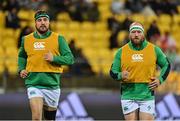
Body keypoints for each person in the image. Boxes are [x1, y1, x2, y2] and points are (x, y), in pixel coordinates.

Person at [18, 10, 74, 120]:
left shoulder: (59, 39)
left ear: (49, 22)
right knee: (36, 118)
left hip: (52, 85)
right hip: (34, 83)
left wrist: (54, 58)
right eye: (39, 20)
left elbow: (70, 59)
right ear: (35, 23)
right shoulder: (26, 39)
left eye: (45, 20)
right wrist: (21, 69)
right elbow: (22, 56)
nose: (42, 22)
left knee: (49, 119)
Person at [110, 22, 170, 120]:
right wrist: (120, 75)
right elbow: (112, 72)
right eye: (133, 32)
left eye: (139, 32)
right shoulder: (121, 52)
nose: (136, 35)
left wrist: (160, 80)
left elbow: (166, 65)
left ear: (143, 34)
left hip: (146, 94)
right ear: (129, 34)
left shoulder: (154, 49)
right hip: (128, 94)